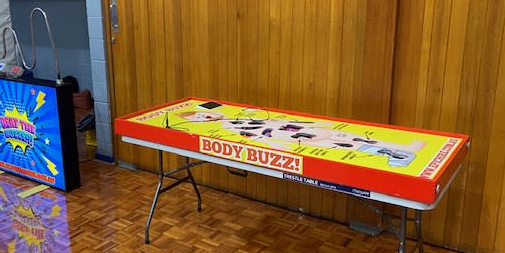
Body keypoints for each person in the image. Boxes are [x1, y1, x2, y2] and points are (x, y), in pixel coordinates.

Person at [176, 110, 425, 168]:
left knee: (349, 137)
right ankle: (393, 156)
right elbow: (255, 133)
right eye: (199, 117)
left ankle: (401, 148)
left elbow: (266, 123)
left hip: (294, 130)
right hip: (292, 137)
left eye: (202, 113)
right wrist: (274, 143)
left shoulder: (233, 117)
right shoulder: (229, 124)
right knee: (342, 143)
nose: (204, 115)